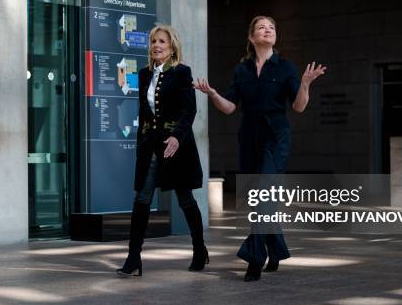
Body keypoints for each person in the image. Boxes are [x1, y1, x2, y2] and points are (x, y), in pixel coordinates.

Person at [194, 15, 326, 281]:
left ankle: (254, 257)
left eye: (272, 28)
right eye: (261, 27)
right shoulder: (241, 69)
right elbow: (230, 107)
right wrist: (213, 94)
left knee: (264, 197)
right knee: (261, 199)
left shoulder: (285, 67)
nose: (267, 30)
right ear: (252, 37)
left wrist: (305, 84)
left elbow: (298, 107)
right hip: (249, 139)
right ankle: (276, 250)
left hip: (276, 138)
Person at [117, 24, 208, 277]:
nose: (156, 45)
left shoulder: (182, 72)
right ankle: (134, 256)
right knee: (142, 198)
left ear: (172, 47)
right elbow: (144, 112)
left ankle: (199, 249)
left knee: (185, 198)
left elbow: (188, 111)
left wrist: (177, 138)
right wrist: (141, 146)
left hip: (176, 147)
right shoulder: (145, 74)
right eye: (154, 41)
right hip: (150, 147)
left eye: (162, 42)